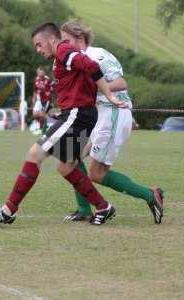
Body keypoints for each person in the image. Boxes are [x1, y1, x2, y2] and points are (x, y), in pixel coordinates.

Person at [0, 22, 127, 226]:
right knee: (66, 167)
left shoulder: (64, 50)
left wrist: (109, 95)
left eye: (39, 44)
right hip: (79, 114)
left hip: (76, 116)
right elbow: (81, 77)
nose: (38, 50)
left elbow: (92, 67)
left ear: (52, 39)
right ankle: (103, 207)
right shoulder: (62, 55)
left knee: (34, 154)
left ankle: (9, 210)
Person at [60, 20, 164, 224]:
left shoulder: (98, 56)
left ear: (80, 38)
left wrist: (92, 88)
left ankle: (151, 196)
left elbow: (120, 82)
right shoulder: (74, 60)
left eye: (66, 40)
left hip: (112, 114)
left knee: (96, 173)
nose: (62, 45)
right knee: (69, 158)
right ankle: (83, 209)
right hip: (94, 115)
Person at [31, 66, 54, 134]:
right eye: (38, 72)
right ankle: (53, 120)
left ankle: (42, 129)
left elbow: (52, 88)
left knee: (42, 114)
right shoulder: (36, 80)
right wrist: (33, 100)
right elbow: (35, 91)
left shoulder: (48, 79)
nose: (39, 73)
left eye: (41, 71)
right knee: (35, 114)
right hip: (39, 100)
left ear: (44, 72)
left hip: (46, 99)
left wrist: (49, 93)